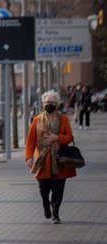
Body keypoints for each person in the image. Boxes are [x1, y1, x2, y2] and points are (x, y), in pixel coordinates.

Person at [25, 89, 76, 224]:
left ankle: (55, 213)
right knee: (43, 190)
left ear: (57, 104)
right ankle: (46, 205)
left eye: (52, 102)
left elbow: (70, 137)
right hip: (42, 162)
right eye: (47, 102)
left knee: (58, 190)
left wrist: (57, 138)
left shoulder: (63, 119)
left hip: (59, 160)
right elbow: (30, 141)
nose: (49, 104)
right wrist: (29, 157)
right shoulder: (36, 120)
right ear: (43, 103)